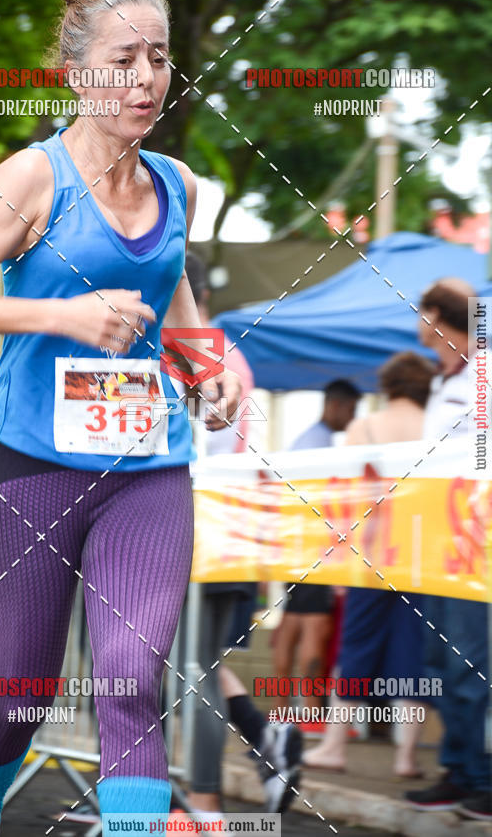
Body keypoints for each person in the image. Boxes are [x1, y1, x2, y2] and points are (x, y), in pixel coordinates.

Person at [0, 0, 240, 837]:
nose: (146, 80)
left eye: (160, 59)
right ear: (76, 71)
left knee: (133, 680)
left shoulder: (178, 184)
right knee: (22, 696)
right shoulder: (33, 178)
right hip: (35, 465)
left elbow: (177, 312)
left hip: (149, 467)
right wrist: (65, 315)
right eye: (124, 60)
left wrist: (215, 370)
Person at [182, 253, 302, 820]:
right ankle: (258, 748)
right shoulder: (231, 353)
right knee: (193, 663)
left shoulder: (197, 352)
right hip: (232, 529)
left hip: (203, 527)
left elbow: (201, 450)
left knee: (185, 666)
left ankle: (201, 806)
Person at [303, 352, 436, 778]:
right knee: (412, 656)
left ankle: (334, 746)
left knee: (355, 648)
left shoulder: (367, 427)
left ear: (389, 385)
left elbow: (346, 498)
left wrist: (337, 555)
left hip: (372, 556)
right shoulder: (437, 427)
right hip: (424, 558)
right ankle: (406, 757)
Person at [405, 279, 492, 820]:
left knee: (469, 662)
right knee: (440, 659)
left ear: (435, 314)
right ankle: (459, 771)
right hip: (435, 536)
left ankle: (482, 777)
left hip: (472, 539)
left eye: (421, 311)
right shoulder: (447, 377)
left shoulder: (481, 372)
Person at [272, 380, 361, 711]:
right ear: (335, 405)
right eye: (351, 411)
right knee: (314, 625)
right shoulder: (320, 443)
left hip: (294, 544)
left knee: (292, 621)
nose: (352, 419)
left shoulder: (307, 439)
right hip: (312, 546)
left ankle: (281, 708)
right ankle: (309, 709)